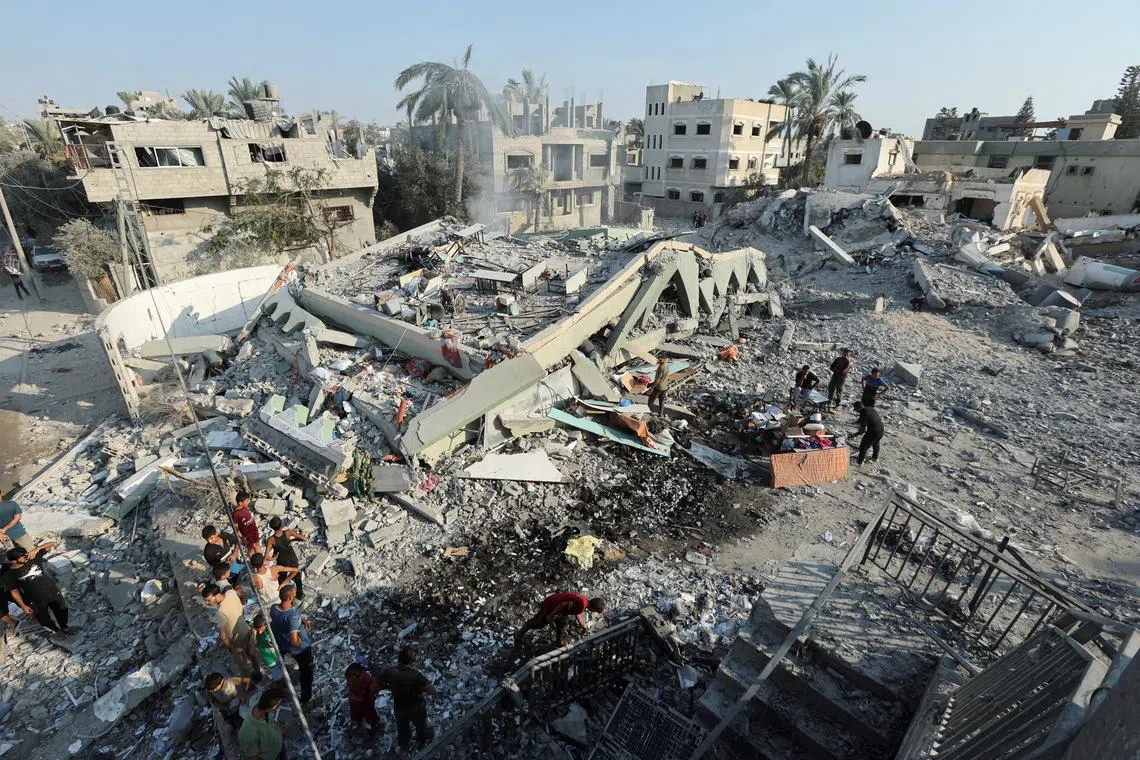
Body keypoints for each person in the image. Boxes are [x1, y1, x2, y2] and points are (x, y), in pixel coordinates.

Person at [378, 646, 436, 751]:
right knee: (420, 726)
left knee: (402, 727)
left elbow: (377, 685)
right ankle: (421, 742)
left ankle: (404, 744)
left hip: (399, 708)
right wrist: (421, 689)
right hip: (416, 708)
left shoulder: (389, 672)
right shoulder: (416, 676)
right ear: (411, 663)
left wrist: (390, 687)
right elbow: (432, 691)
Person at [3, 542, 71, 633]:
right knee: (43, 618)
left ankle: (64, 627)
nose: (26, 557)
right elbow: (14, 592)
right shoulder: (9, 576)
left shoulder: (33, 558)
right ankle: (54, 630)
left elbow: (53, 543)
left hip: (52, 591)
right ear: (14, 561)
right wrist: (23, 606)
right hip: (36, 599)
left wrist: (37, 548)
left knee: (61, 610)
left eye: (26, 555)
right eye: (23, 557)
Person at [270, 584, 314, 704]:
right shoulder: (292, 616)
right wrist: (302, 642)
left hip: (283, 643)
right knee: (307, 673)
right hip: (301, 650)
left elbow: (280, 622)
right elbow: (294, 640)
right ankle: (305, 699)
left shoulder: (274, 608)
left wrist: (301, 620)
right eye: (294, 594)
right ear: (290, 598)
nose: (295, 595)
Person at [201, 582, 255, 679]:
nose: (207, 603)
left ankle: (248, 680)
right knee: (252, 653)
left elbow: (223, 636)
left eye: (208, 600)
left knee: (242, 663)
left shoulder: (220, 612)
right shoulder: (231, 593)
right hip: (246, 628)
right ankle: (257, 670)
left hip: (237, 638)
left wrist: (230, 647)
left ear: (217, 595)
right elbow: (241, 599)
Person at [514, 592, 606, 646]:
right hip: (551, 605)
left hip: (560, 610)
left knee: (563, 624)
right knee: (537, 623)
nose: (594, 613)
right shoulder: (582, 605)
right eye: (595, 611)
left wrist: (583, 626)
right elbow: (563, 604)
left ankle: (558, 643)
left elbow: (577, 612)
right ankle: (519, 633)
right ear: (593, 609)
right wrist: (551, 615)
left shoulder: (584, 601)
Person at [238, 688, 287, 760]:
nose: (278, 707)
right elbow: (253, 757)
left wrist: (280, 730)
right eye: (278, 705)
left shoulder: (260, 707)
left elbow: (270, 722)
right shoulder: (249, 735)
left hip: (277, 747)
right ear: (273, 707)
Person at [265, 518, 307, 599]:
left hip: (282, 560)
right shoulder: (288, 532)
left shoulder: (271, 540)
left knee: (282, 578)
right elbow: (304, 538)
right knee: (296, 575)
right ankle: (300, 594)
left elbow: (266, 557)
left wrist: (274, 558)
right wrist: (292, 540)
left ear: (271, 527)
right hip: (292, 558)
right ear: (281, 524)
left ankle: (284, 595)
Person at [345, 662, 382, 735]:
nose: (350, 681)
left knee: (370, 715)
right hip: (354, 701)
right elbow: (349, 687)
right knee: (356, 715)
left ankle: (375, 727)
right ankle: (357, 723)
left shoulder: (367, 679)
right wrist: (352, 696)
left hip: (366, 702)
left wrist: (373, 690)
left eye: (352, 679)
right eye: (349, 679)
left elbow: (375, 689)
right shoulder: (350, 678)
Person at [249, 613, 284, 685]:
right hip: (270, 662)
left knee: (283, 673)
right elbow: (251, 651)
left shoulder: (267, 632)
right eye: (264, 625)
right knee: (279, 678)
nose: (265, 627)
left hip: (276, 657)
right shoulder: (254, 635)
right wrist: (254, 635)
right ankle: (281, 685)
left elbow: (273, 643)